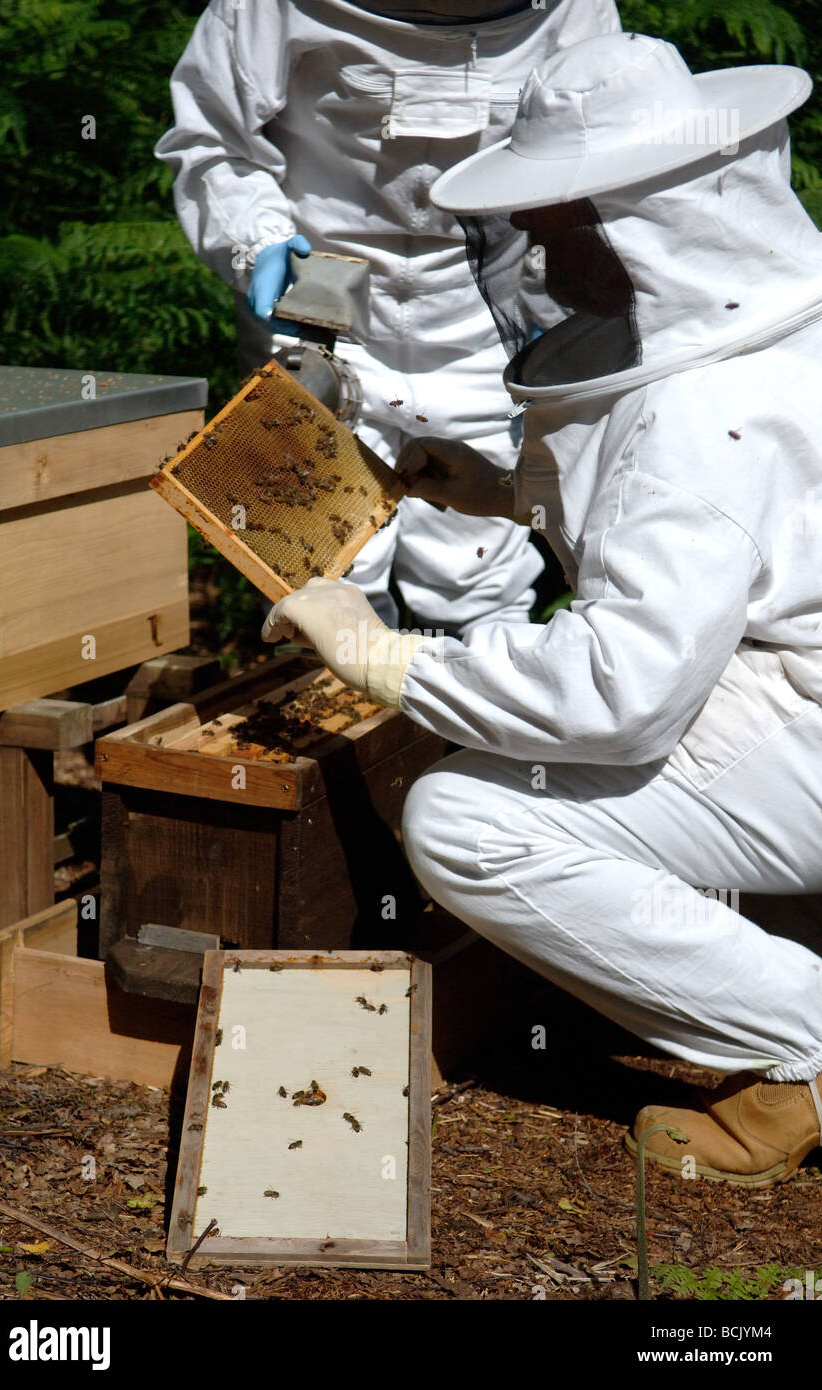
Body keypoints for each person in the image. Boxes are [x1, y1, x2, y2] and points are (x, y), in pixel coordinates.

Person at [262, 32, 822, 1186]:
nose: (535, 252)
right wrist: (503, 491)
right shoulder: (773, 330)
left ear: (642, 220)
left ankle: (799, 1049)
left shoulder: (696, 420)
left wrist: (381, 654)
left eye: (558, 222)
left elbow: (614, 694)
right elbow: (717, 545)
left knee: (469, 820)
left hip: (804, 724)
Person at [155, 0, 621, 634]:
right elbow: (212, 136)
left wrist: (560, 296)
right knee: (317, 581)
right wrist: (256, 238)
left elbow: (593, 160)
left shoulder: (571, 11)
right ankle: (327, 720)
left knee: (476, 581)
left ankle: (466, 729)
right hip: (316, 310)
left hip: (484, 325)